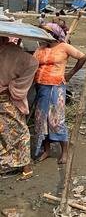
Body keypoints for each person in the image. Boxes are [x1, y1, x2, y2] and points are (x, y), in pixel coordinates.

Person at [33, 25, 86, 164]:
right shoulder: (41, 48)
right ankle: (46, 150)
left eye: (48, 32)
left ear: (54, 34)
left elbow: (82, 57)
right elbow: (32, 63)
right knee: (41, 119)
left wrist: (70, 73)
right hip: (41, 86)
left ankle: (64, 152)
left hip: (56, 87)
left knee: (56, 119)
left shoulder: (64, 47)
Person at [0, 36, 39, 179]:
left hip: (5, 101)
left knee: (7, 133)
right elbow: (33, 62)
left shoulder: (8, 54)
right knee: (20, 131)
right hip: (8, 100)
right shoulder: (22, 57)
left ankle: (20, 165)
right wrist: (13, 86)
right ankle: (23, 166)